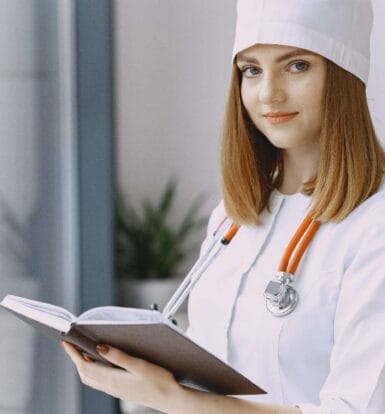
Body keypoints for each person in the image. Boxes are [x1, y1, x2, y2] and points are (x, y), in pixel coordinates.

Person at [63, 0, 385, 412]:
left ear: (343, 76)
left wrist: (175, 398)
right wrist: (139, 376)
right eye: (251, 70)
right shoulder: (232, 219)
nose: (268, 92)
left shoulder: (373, 225)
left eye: (297, 66)